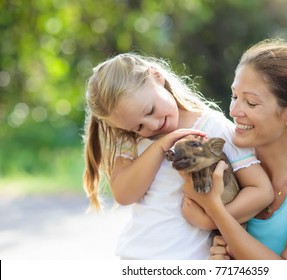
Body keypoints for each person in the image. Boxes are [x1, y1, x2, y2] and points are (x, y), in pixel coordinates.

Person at [82, 52, 274, 259]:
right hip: (135, 257)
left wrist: (212, 219)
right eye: (139, 126)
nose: (153, 125)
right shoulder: (132, 140)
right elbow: (124, 194)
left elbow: (262, 192)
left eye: (150, 110)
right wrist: (161, 146)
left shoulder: (211, 127)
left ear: (156, 77)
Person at [182, 38, 287, 260]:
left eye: (250, 103)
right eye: (234, 97)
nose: (233, 111)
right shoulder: (223, 169)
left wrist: (215, 213)